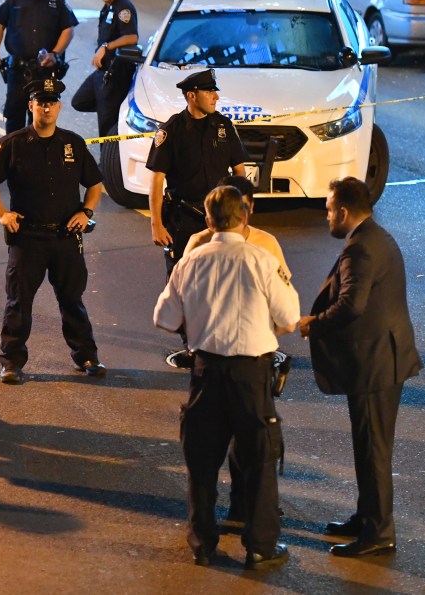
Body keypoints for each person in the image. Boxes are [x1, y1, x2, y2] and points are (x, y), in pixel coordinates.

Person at [154, 185, 299, 569]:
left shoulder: (191, 260)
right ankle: (260, 545)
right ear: (245, 216)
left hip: (205, 372)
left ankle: (203, 543)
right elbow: (289, 318)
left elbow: (164, 319)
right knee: (259, 460)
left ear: (208, 219)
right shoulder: (262, 259)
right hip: (252, 375)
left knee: (201, 462)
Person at [298, 177, 422, 558]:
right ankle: (366, 516)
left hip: (375, 365)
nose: (327, 218)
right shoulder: (377, 236)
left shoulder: (360, 250)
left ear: (345, 211)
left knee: (373, 450)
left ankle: (378, 533)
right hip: (385, 358)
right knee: (369, 445)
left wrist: (311, 324)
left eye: (329, 211)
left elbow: (352, 305)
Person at [0, 78, 104, 384]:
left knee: (72, 300)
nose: (46, 108)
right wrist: (1, 214)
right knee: (19, 302)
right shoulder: (13, 144)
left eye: (52, 103)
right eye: (41, 102)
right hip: (28, 239)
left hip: (65, 238)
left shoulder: (73, 144)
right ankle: (11, 362)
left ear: (59, 107)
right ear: (31, 106)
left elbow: (95, 185)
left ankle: (86, 357)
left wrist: (86, 212)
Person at [183, 174, 292, 523]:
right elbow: (289, 314)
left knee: (245, 449)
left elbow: (167, 311)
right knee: (220, 445)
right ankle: (255, 536)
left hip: (248, 357)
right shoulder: (198, 245)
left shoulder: (267, 245)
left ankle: (235, 515)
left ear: (247, 210)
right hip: (223, 360)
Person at [147, 68, 249, 367]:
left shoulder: (222, 125)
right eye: (209, 92)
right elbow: (156, 181)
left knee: (225, 280)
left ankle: (221, 340)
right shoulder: (172, 130)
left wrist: (242, 211)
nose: (216, 96)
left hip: (221, 219)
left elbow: (239, 171)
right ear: (192, 96)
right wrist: (156, 223)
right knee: (184, 282)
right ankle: (193, 345)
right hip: (185, 218)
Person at [0, 0, 78, 134]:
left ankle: (38, 159)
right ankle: (13, 159)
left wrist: (55, 54)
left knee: (42, 119)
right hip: (18, 70)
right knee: (14, 119)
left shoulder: (57, 0)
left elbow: (68, 29)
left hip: (44, 71)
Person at [70, 0, 139, 137]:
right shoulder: (107, 7)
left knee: (106, 129)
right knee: (79, 101)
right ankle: (111, 110)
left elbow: (132, 37)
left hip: (113, 75)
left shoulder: (123, 8)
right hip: (101, 73)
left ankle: (107, 161)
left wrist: (106, 47)